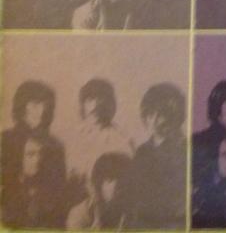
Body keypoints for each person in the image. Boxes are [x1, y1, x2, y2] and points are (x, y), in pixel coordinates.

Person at [1, 82, 67, 228]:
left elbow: (59, 188)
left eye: (46, 105)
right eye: (35, 104)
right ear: (22, 105)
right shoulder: (5, 140)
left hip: (45, 216)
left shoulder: (56, 146)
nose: (42, 110)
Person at [131, 83, 187, 229]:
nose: (155, 120)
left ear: (176, 117)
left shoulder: (186, 150)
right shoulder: (142, 152)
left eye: (162, 114)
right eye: (150, 114)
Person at [66, 79, 133, 196]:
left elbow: (126, 179)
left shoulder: (122, 139)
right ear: (83, 105)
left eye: (101, 100)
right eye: (90, 100)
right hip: (76, 197)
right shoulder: (74, 137)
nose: (95, 106)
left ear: (109, 105)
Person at [65, 152, 132, 230]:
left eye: (123, 180)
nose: (117, 185)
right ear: (99, 183)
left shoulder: (131, 211)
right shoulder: (80, 214)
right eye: (110, 179)